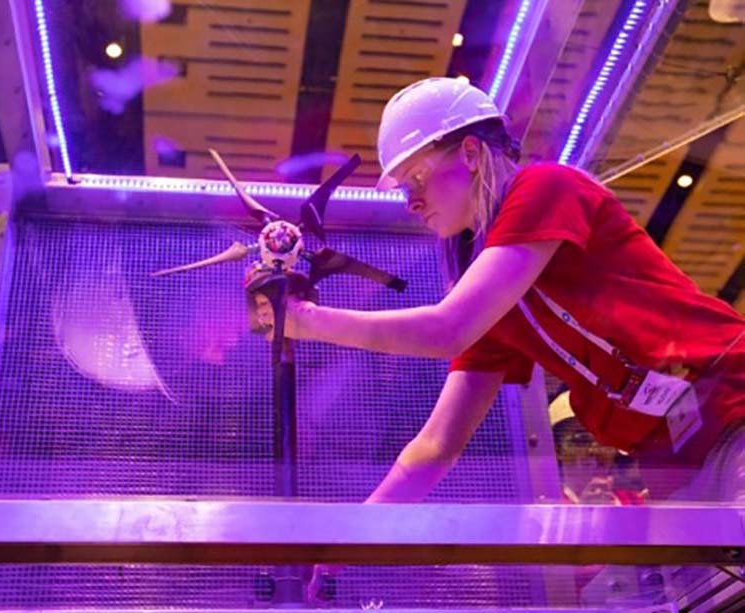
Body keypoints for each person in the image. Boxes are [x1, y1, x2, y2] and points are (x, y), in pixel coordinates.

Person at [244, 76, 745, 600]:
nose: (411, 202)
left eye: (416, 178)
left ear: (470, 152)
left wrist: (305, 321)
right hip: (670, 464)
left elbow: (447, 328)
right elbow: (435, 447)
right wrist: (352, 540)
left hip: (729, 406)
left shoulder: (546, 188)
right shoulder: (503, 308)